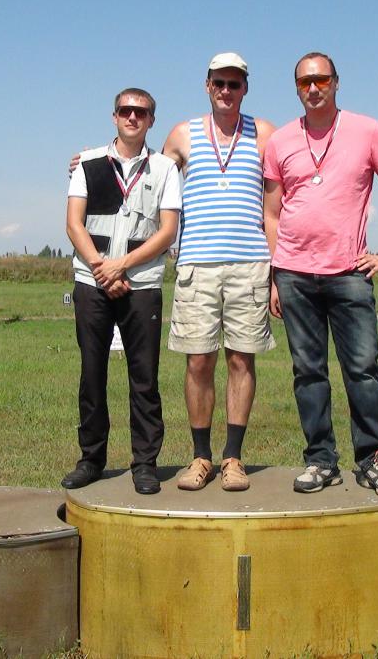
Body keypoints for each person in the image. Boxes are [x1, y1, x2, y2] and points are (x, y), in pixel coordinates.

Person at [70, 53, 276, 492]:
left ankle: (233, 458)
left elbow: (292, 178)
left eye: (234, 84)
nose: (226, 91)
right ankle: (201, 457)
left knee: (242, 359)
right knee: (198, 361)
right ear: (207, 85)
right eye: (219, 83)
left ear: (245, 88)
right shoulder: (182, 134)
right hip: (196, 263)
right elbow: (144, 178)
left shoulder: (265, 133)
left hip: (250, 262)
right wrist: (89, 166)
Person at [263, 52, 378, 497]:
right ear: (296, 88)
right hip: (294, 274)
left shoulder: (367, 131)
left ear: (336, 82)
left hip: (349, 273)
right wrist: (276, 273)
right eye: (304, 82)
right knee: (308, 373)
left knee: (363, 369)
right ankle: (320, 460)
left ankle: (375, 459)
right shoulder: (281, 141)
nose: (313, 88)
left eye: (322, 79)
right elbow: (271, 213)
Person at [61, 87, 181, 495]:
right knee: (92, 375)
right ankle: (91, 460)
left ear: (151, 120)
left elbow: (167, 230)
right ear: (114, 116)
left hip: (141, 284)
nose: (133, 117)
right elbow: (74, 223)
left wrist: (122, 266)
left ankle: (144, 464)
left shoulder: (164, 169)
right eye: (126, 110)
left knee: (144, 378)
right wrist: (101, 268)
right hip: (92, 282)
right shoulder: (88, 163)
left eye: (141, 112)